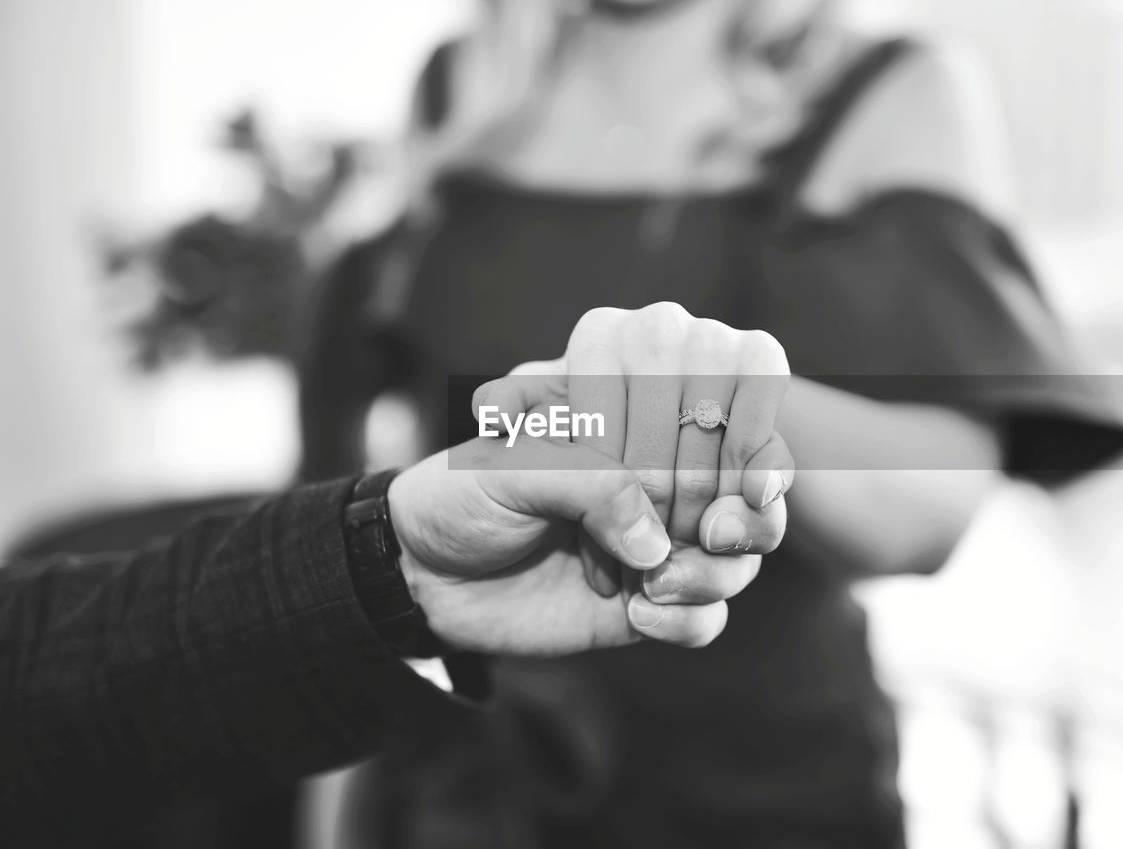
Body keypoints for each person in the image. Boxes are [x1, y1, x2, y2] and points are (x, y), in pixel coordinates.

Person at [301, 0, 1123, 846]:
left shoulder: (890, 91)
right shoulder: (464, 83)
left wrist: (705, 392)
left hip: (750, 784)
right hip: (459, 781)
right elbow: (400, 472)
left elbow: (922, 513)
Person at [0, 307, 794, 844]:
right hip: (480, 725)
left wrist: (399, 566)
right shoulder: (449, 124)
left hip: (738, 727)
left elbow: (48, 673)